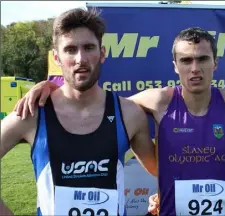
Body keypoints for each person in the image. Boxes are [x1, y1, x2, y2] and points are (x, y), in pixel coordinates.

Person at [14, 29, 225, 216]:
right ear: (175, 65)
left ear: (216, 62)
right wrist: (54, 88)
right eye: (186, 60)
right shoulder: (158, 101)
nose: (195, 68)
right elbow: (97, 100)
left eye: (202, 59)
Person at [0, 8, 157, 216]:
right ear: (57, 57)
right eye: (70, 49)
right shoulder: (33, 113)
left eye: (89, 47)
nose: (80, 58)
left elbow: (160, 170)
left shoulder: (128, 113)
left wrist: (164, 194)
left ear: (102, 53)